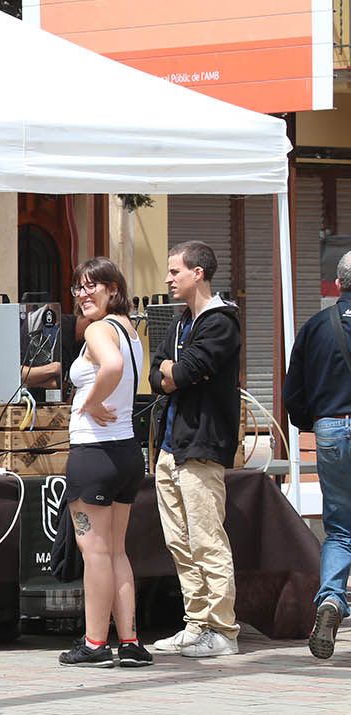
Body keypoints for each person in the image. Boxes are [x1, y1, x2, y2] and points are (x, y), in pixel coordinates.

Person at [148, 240, 243, 659]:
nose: (168, 279)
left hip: (202, 444)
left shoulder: (220, 322)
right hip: (170, 447)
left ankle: (223, 630)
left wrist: (175, 371)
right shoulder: (180, 321)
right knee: (179, 541)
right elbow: (157, 374)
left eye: (175, 271)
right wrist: (171, 372)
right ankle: (196, 623)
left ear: (198, 273)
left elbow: (186, 371)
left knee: (206, 539)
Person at [56, 259, 150, 667]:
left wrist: (90, 402)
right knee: (115, 551)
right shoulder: (130, 330)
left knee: (94, 551)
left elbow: (111, 367)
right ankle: (130, 642)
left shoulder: (98, 329)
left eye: (92, 286)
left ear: (114, 289)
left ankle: (95, 644)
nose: (83, 294)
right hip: (127, 453)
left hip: (94, 453)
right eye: (78, 287)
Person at [283, 249, 351, 660]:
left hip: (331, 428)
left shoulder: (316, 326)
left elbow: (293, 391)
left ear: (339, 284)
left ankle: (330, 600)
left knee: (340, 528)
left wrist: (313, 422)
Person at [22, 312, 87, 394]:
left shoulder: (85, 343)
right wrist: (54, 368)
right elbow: (19, 374)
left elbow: (58, 383)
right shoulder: (36, 323)